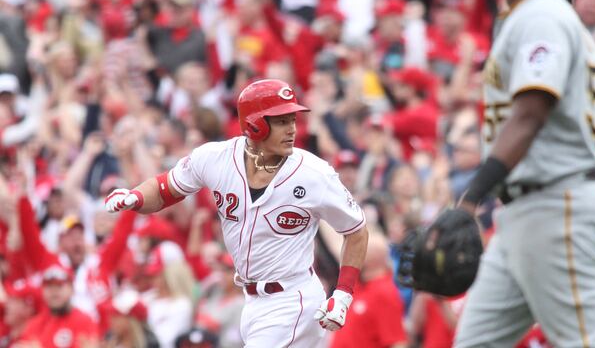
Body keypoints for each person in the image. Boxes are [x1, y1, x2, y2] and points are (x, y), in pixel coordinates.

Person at [453, 0, 595, 346]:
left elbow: (531, 111)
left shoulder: (542, 15)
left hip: (557, 202)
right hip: (529, 207)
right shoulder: (533, 16)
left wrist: (472, 194)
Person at [104, 78, 369, 346]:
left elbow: (356, 230)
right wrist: (135, 196)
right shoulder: (215, 158)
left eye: (292, 119)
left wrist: (344, 293)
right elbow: (166, 188)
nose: (291, 129)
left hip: (293, 298)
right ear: (254, 124)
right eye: (280, 121)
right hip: (252, 301)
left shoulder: (314, 174)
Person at [17, 264, 101, 347]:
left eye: (59, 285)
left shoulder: (85, 321)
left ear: (72, 289)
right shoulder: (34, 325)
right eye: (49, 286)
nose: (54, 291)